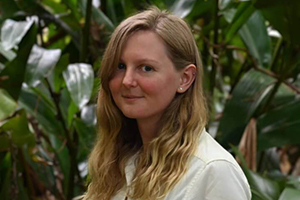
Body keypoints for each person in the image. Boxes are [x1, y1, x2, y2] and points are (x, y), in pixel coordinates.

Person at [84, 7, 251, 200]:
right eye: (120, 66)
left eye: (146, 68)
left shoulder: (213, 171)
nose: (127, 81)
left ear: (185, 79)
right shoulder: (119, 161)